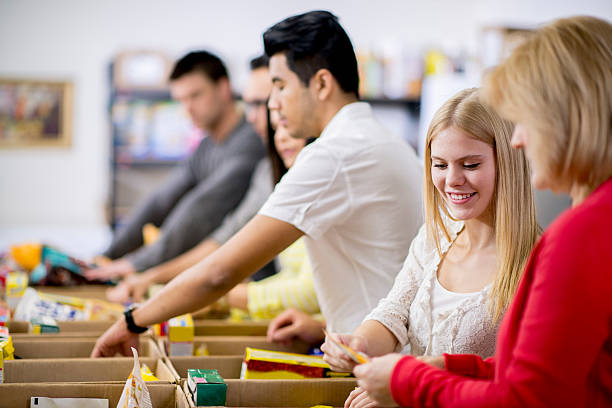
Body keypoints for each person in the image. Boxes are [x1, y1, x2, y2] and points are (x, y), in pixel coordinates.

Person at [91, 10, 422, 358]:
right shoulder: (384, 140)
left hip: (379, 364)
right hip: (385, 353)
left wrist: (134, 320)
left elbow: (221, 272)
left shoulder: (333, 154)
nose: (272, 104)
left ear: (322, 84)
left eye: (279, 86)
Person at [353, 16, 612, 408]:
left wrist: (411, 381)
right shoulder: (592, 222)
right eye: (440, 164)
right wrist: (450, 368)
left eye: (526, 121)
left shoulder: (580, 233)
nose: (520, 139)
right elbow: (538, 373)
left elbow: (526, 397)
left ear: (568, 118)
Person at [322, 87, 539, 407]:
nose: (452, 180)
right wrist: (359, 343)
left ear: (506, 162)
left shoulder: (536, 261)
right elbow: (394, 314)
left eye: (470, 164)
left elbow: (514, 382)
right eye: (440, 165)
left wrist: (406, 392)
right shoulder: (433, 238)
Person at [106, 55, 277, 303]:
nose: (187, 108)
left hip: (253, 284)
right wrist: (112, 255)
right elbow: (161, 200)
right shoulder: (207, 146)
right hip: (223, 276)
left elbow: (200, 210)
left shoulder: (252, 142)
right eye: (181, 100)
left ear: (224, 88)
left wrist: (138, 264)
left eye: (195, 96)